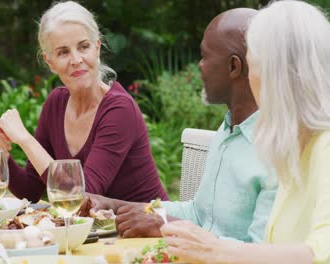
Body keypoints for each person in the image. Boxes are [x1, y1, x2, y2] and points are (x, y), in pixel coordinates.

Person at [160, 1, 330, 263]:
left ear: (279, 74)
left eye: (255, 67)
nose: (252, 81)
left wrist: (214, 250)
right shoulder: (293, 145)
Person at [80, 8, 277, 242]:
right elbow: (197, 213)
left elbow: (261, 252)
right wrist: (113, 205)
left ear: (234, 67)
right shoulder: (227, 131)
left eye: (204, 56)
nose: (199, 66)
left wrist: (165, 224)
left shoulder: (276, 151)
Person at [0, 1, 168, 203]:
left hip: (150, 229)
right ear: (49, 62)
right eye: (63, 52)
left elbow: (80, 196)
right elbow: (30, 191)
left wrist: (25, 140)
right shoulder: (56, 105)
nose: (76, 59)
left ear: (97, 48)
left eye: (83, 47)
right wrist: (1, 157)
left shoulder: (119, 109)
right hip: (102, 230)